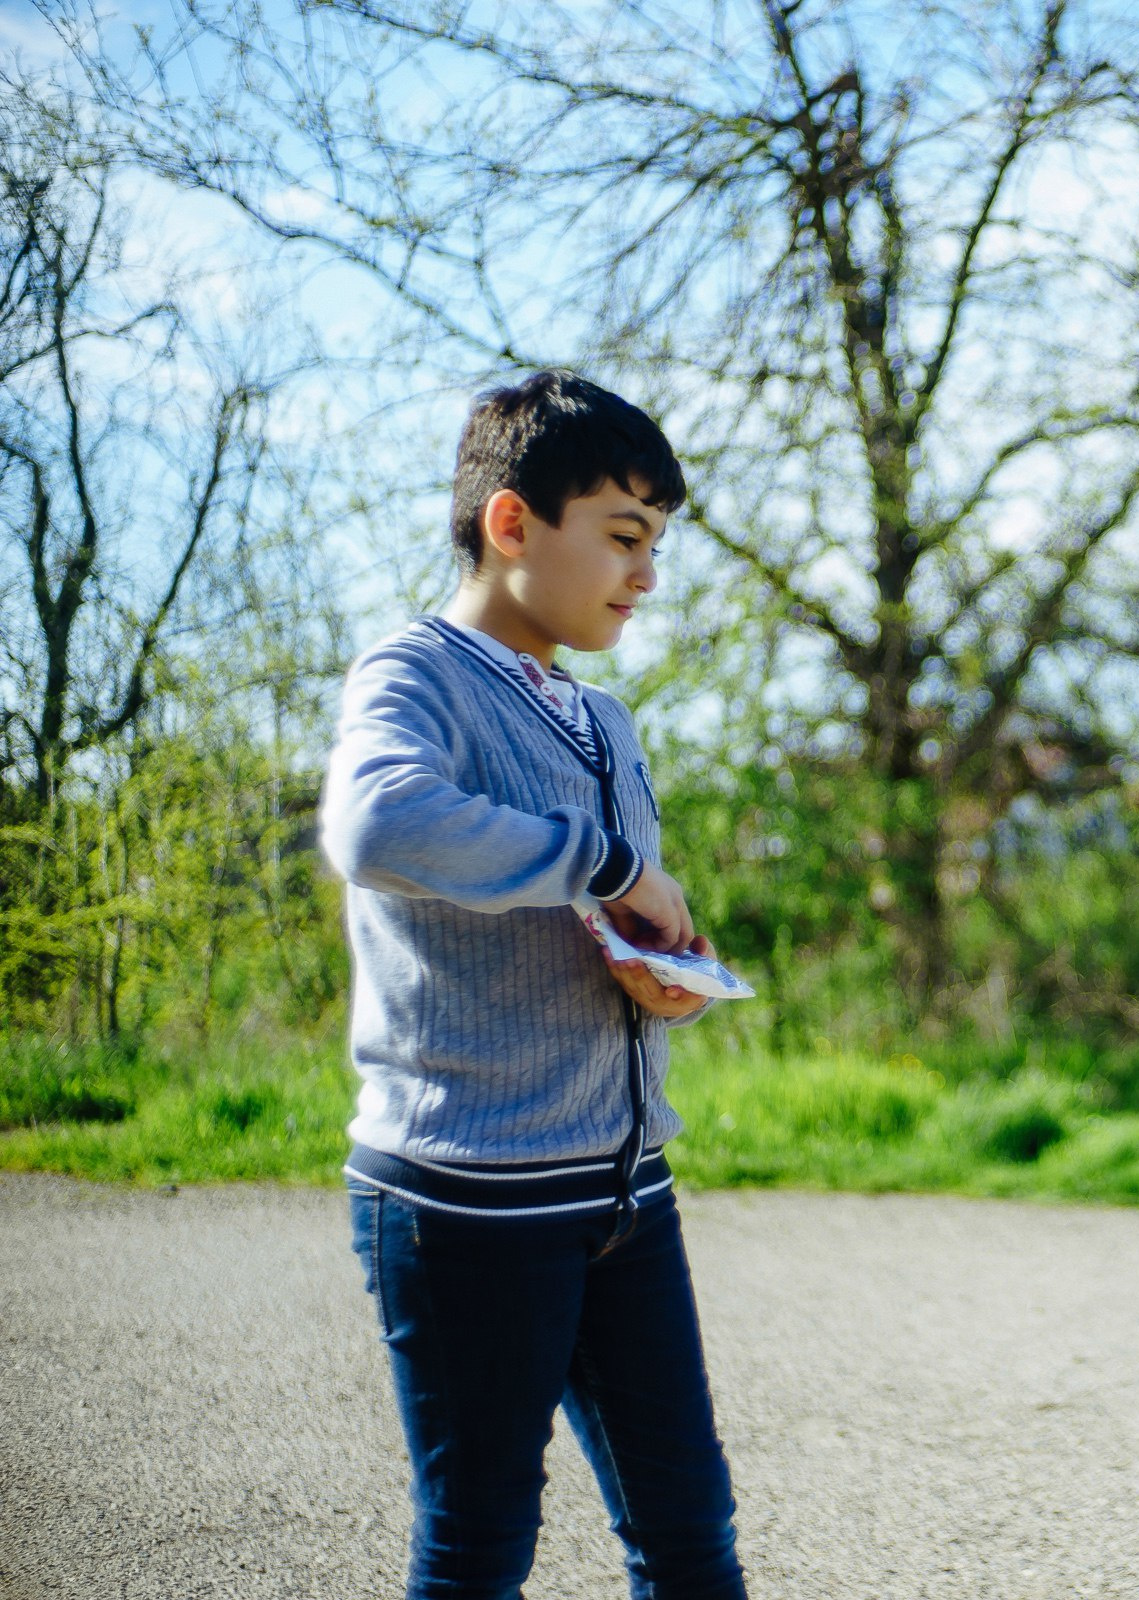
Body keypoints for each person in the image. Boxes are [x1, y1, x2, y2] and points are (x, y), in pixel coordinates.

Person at [321, 370, 747, 1598]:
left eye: (656, 544)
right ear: (512, 522)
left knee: (690, 1535)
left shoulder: (605, 720)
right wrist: (611, 863)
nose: (646, 574)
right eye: (624, 536)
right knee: (480, 1547)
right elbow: (378, 826)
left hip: (626, 1188)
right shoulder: (414, 674)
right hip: (469, 1198)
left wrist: (666, 974)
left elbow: (598, 910)